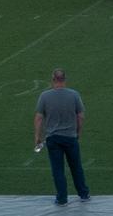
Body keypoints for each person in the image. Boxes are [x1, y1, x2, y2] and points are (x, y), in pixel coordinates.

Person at [32, 68, 89, 206]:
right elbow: (80, 116)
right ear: (65, 80)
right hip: (70, 137)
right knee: (76, 167)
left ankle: (62, 198)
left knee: (58, 170)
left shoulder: (45, 96)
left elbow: (39, 118)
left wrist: (37, 137)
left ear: (53, 80)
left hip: (53, 138)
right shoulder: (74, 95)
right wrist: (78, 133)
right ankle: (83, 194)